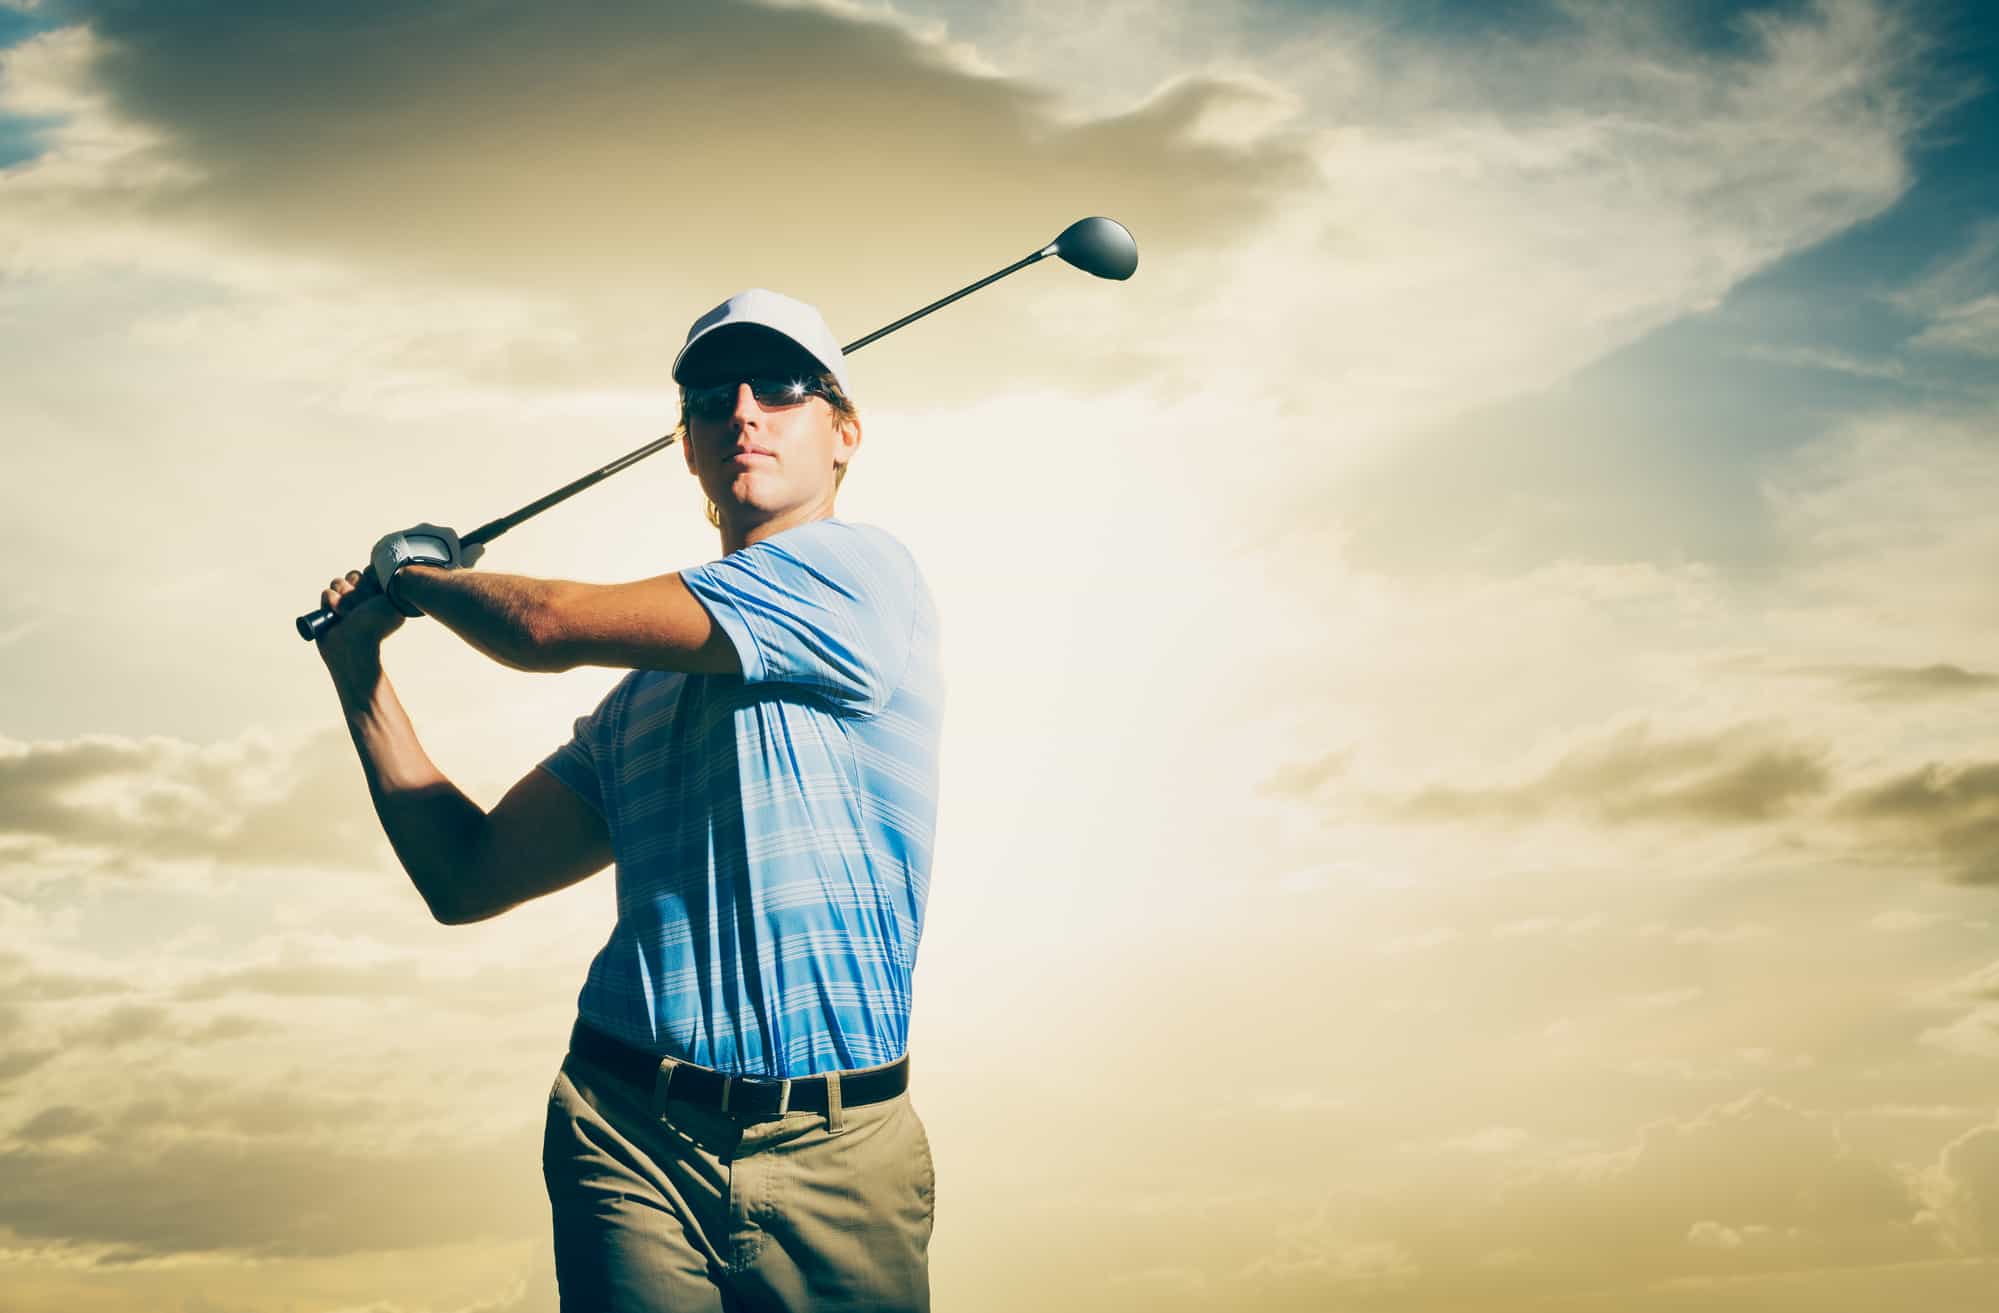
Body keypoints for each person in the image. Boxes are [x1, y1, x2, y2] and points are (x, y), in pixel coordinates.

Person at [312, 289, 944, 1311]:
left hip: (840, 1151)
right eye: (709, 396)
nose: (743, 408)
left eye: (781, 385)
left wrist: (412, 575)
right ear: (687, 447)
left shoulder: (860, 577)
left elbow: (547, 624)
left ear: (844, 434)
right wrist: (358, 671)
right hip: (627, 1134)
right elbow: (464, 875)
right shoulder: (641, 705)